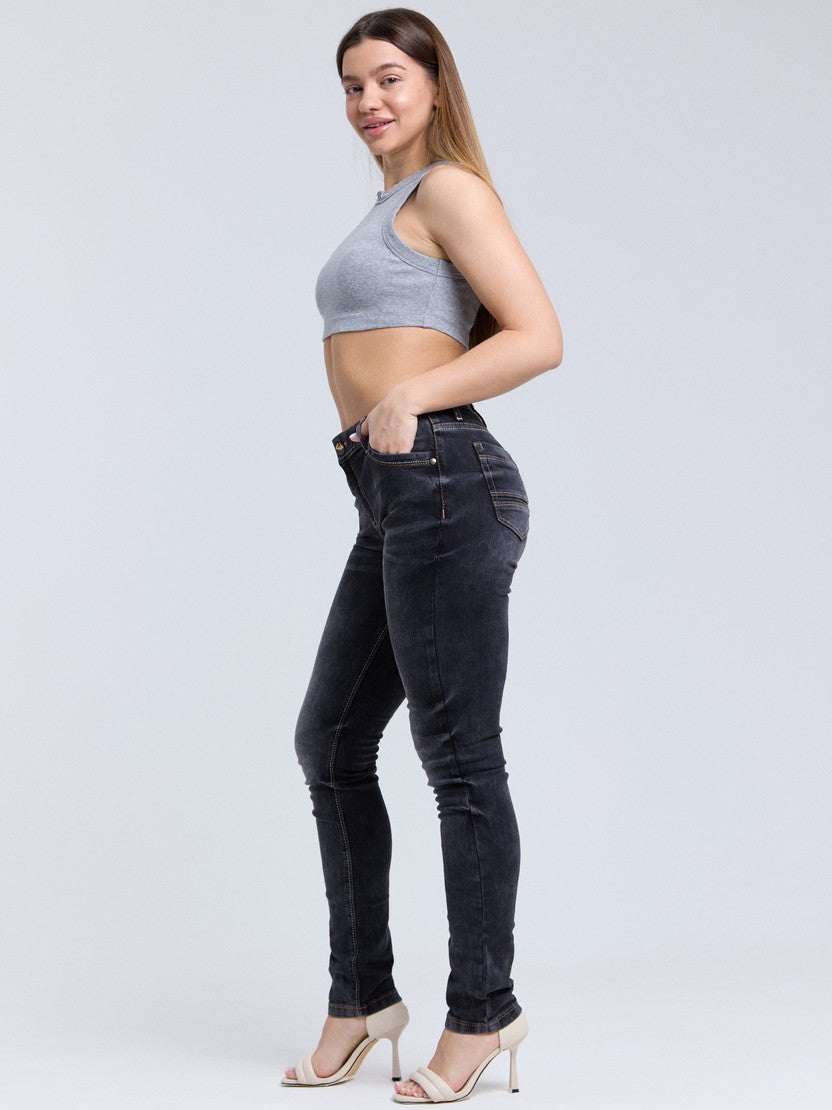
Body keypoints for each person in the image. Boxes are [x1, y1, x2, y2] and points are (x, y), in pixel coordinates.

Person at [282, 7, 563, 1103]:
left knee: (457, 756)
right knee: (330, 740)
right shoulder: (389, 205)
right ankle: (362, 998)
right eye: (353, 85)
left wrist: (411, 394)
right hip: (391, 496)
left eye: (390, 78)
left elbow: (538, 336)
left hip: (446, 479)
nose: (369, 101)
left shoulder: (449, 190)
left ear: (435, 85)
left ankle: (483, 1011)